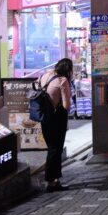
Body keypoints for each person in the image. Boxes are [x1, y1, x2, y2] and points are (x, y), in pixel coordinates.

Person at [38, 58, 73, 192]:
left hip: (44, 117)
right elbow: (66, 106)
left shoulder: (44, 76)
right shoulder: (63, 81)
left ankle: (56, 179)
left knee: (53, 149)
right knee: (55, 150)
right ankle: (50, 182)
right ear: (67, 70)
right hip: (57, 118)